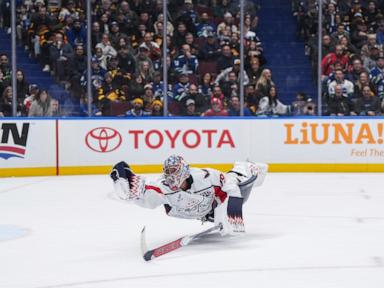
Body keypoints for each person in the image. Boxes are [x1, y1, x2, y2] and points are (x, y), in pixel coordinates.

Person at [110, 155, 268, 236]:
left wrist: (234, 220)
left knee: (239, 178)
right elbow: (146, 195)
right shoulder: (164, 186)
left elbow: (231, 188)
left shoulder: (206, 176)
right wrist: (126, 180)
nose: (170, 176)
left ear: (184, 170)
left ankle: (247, 165)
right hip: (189, 209)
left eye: (174, 171)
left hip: (211, 204)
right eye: (168, 172)